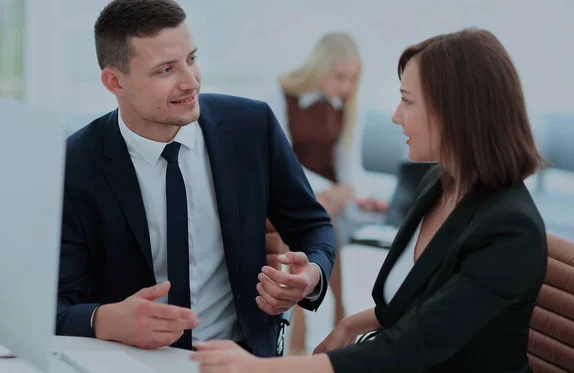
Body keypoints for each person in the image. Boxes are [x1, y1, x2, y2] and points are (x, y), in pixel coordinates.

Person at [190, 28, 548, 373]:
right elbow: (416, 301)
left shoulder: (510, 231)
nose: (395, 116)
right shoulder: (439, 183)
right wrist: (349, 324)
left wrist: (263, 369)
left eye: (407, 101)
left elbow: (411, 347)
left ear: (455, 112)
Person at [55, 0, 337, 358]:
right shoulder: (74, 164)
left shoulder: (252, 127)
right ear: (115, 81)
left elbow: (314, 227)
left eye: (192, 58)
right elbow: (50, 304)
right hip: (129, 360)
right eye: (166, 70)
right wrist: (104, 320)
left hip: (244, 356)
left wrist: (309, 277)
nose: (191, 82)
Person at [267, 32, 387, 354]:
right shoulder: (281, 94)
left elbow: (349, 167)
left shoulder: (347, 106)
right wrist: (329, 191)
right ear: (320, 68)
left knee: (316, 220)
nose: (347, 87)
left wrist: (360, 198)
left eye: (352, 79)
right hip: (292, 191)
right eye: (340, 77)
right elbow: (282, 161)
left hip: (329, 201)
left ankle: (297, 340)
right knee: (318, 211)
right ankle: (337, 310)